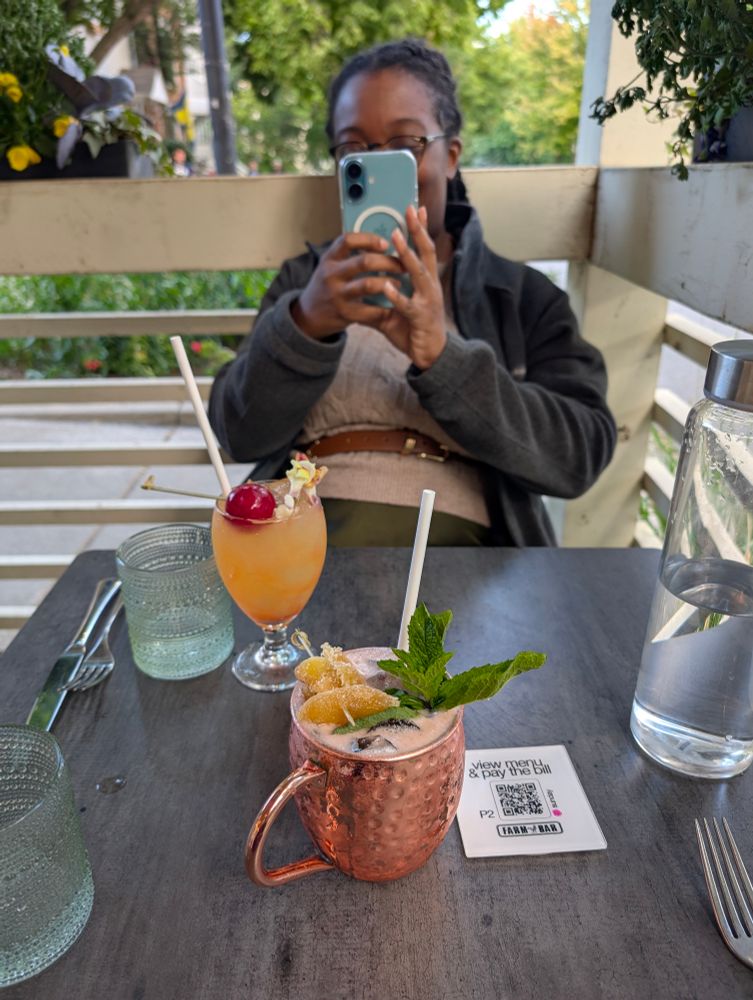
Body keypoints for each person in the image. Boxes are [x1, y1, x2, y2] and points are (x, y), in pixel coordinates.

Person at [208, 38, 617, 546]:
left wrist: (443, 357)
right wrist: (305, 327)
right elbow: (237, 433)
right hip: (302, 542)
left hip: (464, 556)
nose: (378, 164)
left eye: (406, 144)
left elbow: (579, 455)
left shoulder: (520, 297)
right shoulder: (305, 284)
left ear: (451, 156)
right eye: (354, 149)